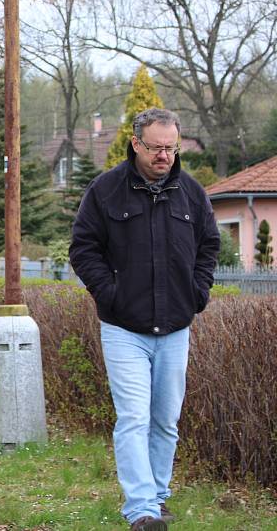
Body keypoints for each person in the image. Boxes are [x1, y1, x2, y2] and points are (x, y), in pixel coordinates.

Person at [69, 108, 220, 531]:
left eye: (171, 148)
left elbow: (210, 245)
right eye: (156, 148)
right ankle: (141, 509)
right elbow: (83, 248)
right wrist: (110, 294)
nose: (164, 156)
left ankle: (158, 494)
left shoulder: (191, 193)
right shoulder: (105, 191)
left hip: (176, 325)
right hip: (124, 328)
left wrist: (197, 293)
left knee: (165, 420)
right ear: (136, 143)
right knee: (134, 417)